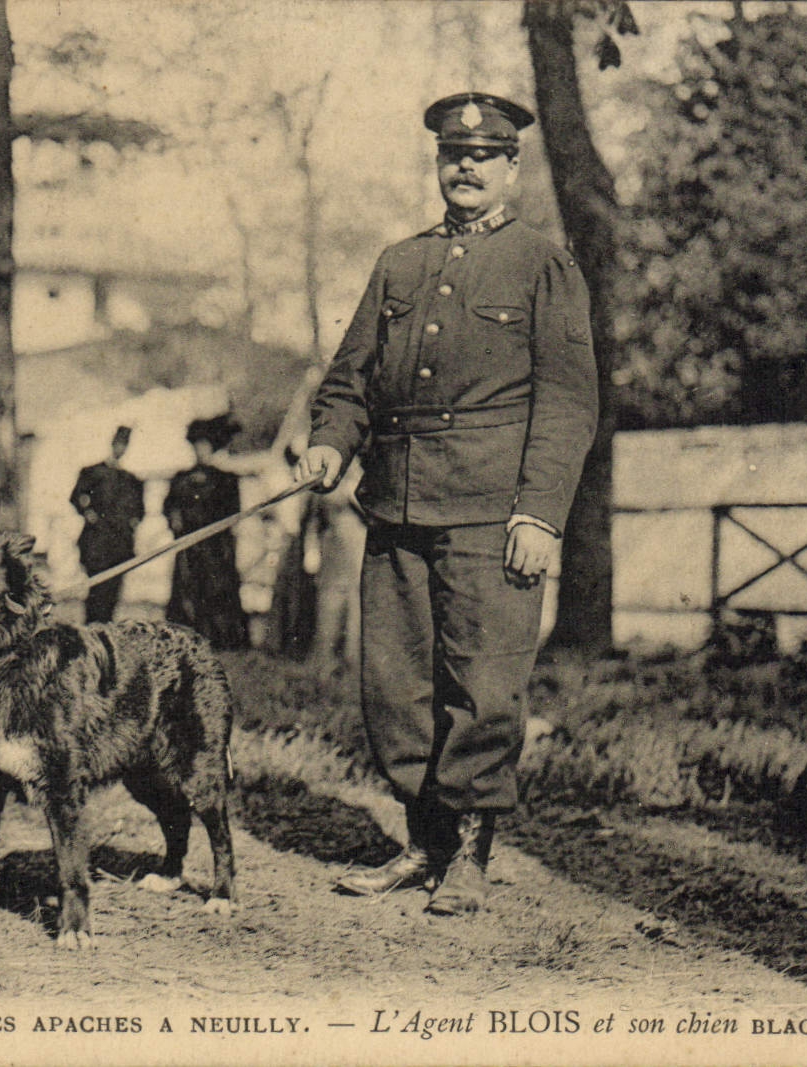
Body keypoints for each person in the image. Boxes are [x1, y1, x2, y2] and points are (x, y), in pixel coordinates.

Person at [295, 92, 597, 915]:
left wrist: (539, 514)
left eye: (483, 156)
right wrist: (331, 441)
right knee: (395, 686)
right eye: (451, 155)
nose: (464, 167)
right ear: (437, 165)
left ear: (511, 168)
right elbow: (351, 380)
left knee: (482, 685)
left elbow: (569, 401)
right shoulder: (399, 262)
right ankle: (422, 842)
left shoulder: (543, 264)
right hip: (395, 506)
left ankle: (470, 852)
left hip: (493, 515)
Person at [165, 415, 248, 650]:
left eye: (205, 446)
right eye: (197, 446)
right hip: (188, 547)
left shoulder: (225, 479)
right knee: (186, 591)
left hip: (216, 548)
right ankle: (185, 638)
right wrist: (175, 520)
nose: (201, 451)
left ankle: (222, 640)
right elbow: (169, 507)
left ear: (212, 447)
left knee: (218, 591)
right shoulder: (181, 478)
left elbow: (234, 512)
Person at [70, 426, 145, 623]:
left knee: (113, 590)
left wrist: (132, 524)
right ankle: (92, 628)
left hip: (120, 543)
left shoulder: (131, 479)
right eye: (118, 444)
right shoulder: (92, 472)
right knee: (96, 587)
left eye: (124, 445)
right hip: (96, 541)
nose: (120, 449)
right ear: (112, 444)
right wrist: (88, 514)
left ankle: (106, 628)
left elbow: (140, 510)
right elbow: (76, 498)